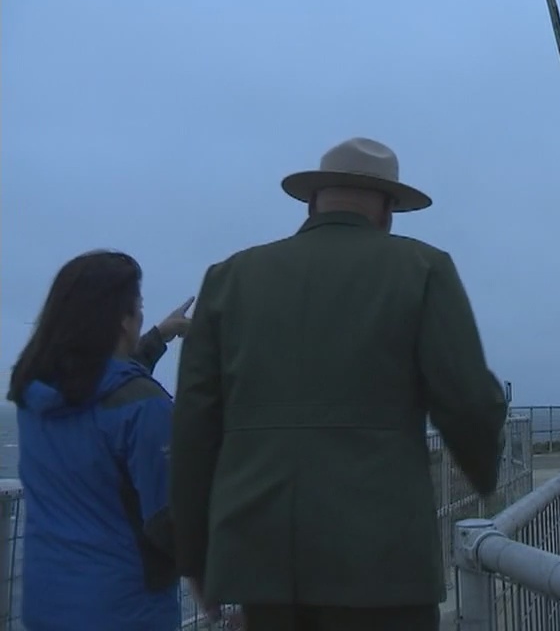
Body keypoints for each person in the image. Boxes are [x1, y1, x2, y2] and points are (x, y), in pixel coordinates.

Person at [171, 137, 510, 631]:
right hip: (383, 563)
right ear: (388, 210)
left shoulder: (229, 278)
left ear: (312, 202)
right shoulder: (422, 268)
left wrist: (194, 555)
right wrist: (485, 477)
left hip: (261, 563)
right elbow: (467, 400)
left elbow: (192, 430)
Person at [8, 250, 194, 631]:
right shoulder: (146, 407)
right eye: (137, 307)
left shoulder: (34, 394)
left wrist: (157, 338)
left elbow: (101, 389)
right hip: (127, 611)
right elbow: (172, 526)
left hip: (47, 604)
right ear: (123, 320)